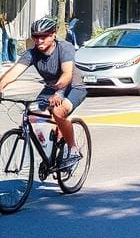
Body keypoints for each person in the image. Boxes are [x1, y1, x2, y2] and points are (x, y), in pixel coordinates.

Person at [0, 17, 85, 166]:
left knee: (58, 112)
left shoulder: (64, 48)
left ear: (53, 35)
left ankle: (72, 149)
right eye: (36, 37)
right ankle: (49, 150)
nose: (39, 41)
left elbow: (67, 74)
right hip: (51, 89)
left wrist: (59, 93)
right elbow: (13, 72)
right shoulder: (32, 53)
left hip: (73, 87)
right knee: (32, 115)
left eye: (43, 37)